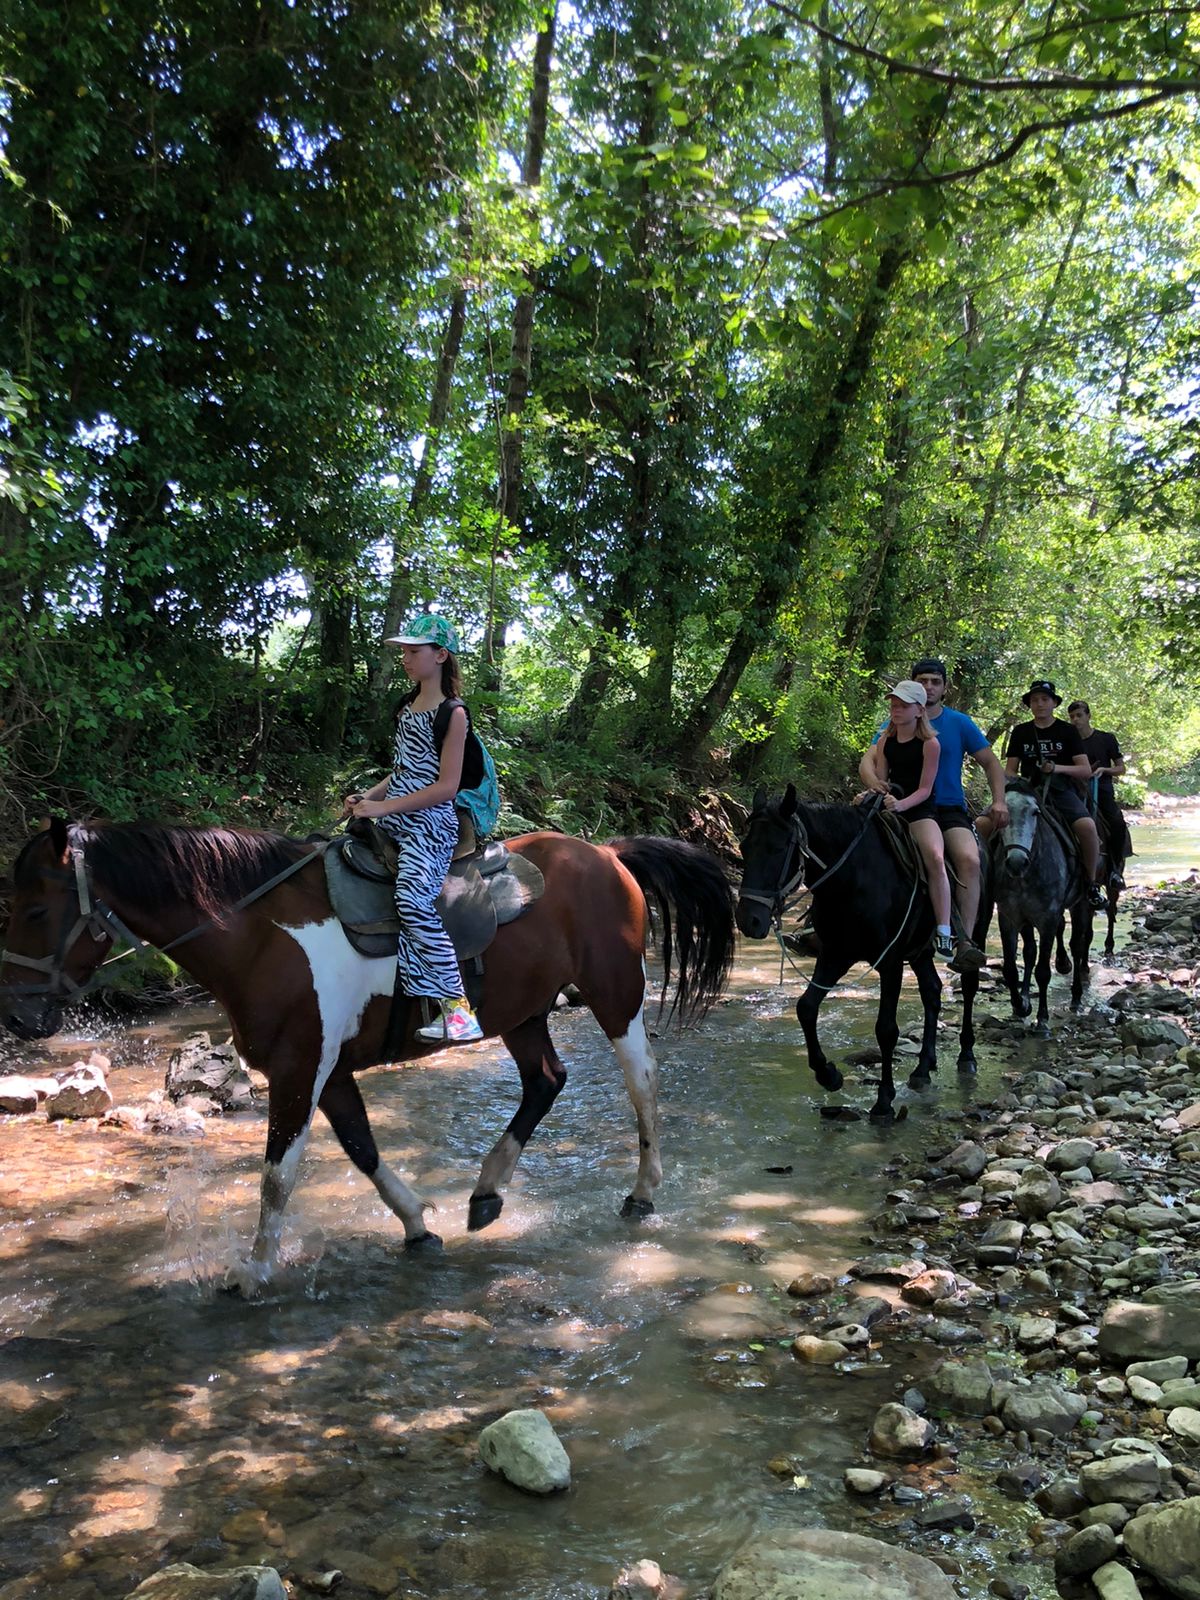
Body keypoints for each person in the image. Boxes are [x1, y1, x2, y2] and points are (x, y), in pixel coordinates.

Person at [343, 612, 484, 1045]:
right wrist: (368, 795)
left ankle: (459, 1010)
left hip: (430, 824)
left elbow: (445, 787)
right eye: (403, 651)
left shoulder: (453, 714)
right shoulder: (406, 707)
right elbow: (404, 770)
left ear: (440, 655)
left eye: (414, 651)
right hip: (394, 811)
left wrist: (380, 809)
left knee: (411, 899)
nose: (405, 658)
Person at [859, 656, 1007, 971]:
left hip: (948, 809)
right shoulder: (894, 722)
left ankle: (964, 939)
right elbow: (869, 760)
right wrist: (877, 787)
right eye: (923, 681)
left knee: (969, 859)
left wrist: (999, 801)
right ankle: (826, 923)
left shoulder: (959, 723)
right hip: (899, 804)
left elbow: (992, 763)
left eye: (935, 682)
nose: (929, 687)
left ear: (945, 688)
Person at [858, 680, 957, 960]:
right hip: (890, 805)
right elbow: (883, 780)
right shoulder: (886, 741)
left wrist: (901, 805)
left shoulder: (930, 744)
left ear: (918, 710)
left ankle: (944, 931)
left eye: (903, 705)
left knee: (935, 858)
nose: (896, 710)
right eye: (893, 705)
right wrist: (871, 792)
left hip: (920, 810)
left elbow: (925, 789)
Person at [1004, 680, 1107, 910]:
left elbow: (1084, 770)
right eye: (1034, 700)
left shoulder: (1067, 731)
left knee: (1088, 827)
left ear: (1054, 703)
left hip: (1061, 790)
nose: (1039, 704)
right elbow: (1011, 770)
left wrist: (1056, 768)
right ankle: (988, 879)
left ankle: (1091, 883)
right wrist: (1010, 784)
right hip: (1027, 791)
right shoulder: (1021, 731)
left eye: (1044, 700)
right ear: (1029, 705)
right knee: (988, 824)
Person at [1067, 699, 1131, 886]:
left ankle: (1115, 868)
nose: (1075, 720)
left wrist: (1104, 770)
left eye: (1079, 715)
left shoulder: (1106, 738)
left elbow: (1121, 768)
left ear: (1088, 716)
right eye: (1072, 717)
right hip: (1075, 789)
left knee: (1117, 822)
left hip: (1101, 789)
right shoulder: (1068, 741)